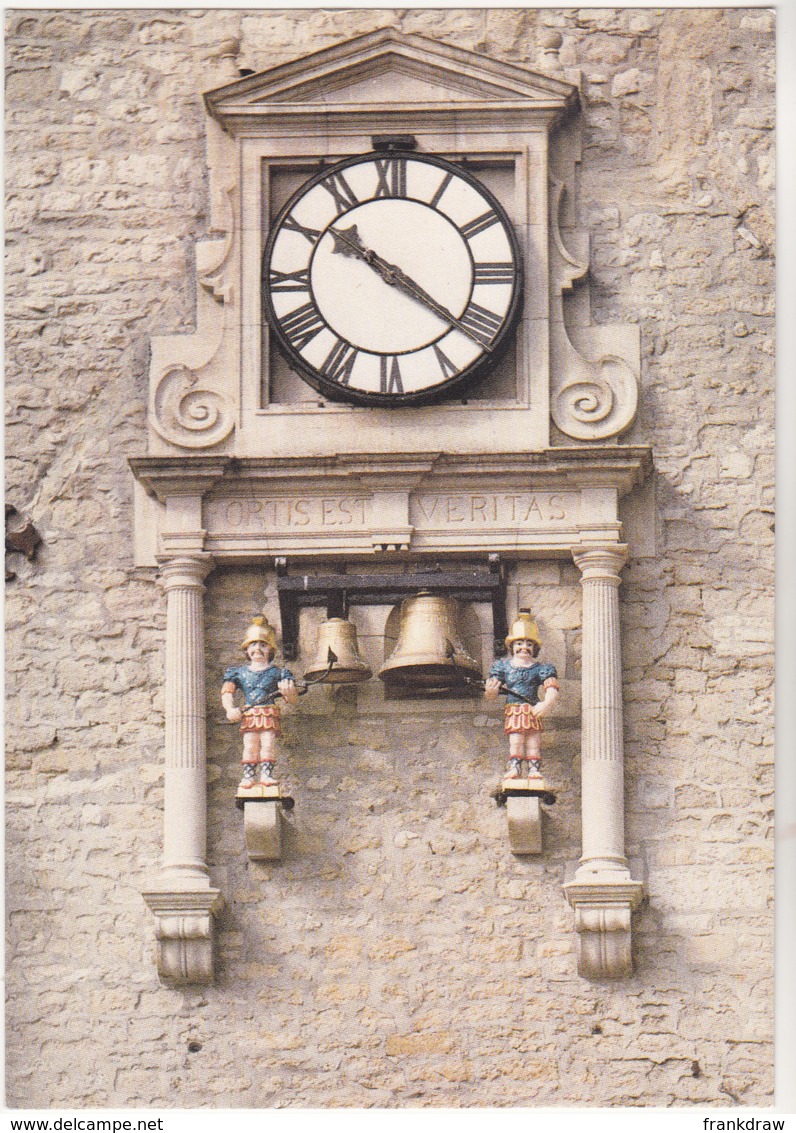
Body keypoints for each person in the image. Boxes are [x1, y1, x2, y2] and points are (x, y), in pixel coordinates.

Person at [222, 616, 298, 789]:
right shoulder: (239, 673)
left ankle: (266, 775)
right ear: (247, 648)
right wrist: (229, 708)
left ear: (270, 649)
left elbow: (292, 699)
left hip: (268, 712)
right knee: (250, 745)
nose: (257, 649)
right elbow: (227, 691)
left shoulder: (278, 673)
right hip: (250, 713)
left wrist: (289, 691)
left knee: (268, 744)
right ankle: (248, 776)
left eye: (263, 645)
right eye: (253, 644)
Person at [484, 610, 559, 782]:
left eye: (529, 644)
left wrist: (547, 704)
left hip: (532, 709)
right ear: (512, 646)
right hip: (514, 710)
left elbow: (552, 689)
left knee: (533, 743)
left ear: (535, 648)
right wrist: (491, 690)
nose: (523, 647)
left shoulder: (542, 668)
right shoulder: (503, 666)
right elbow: (491, 693)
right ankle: (515, 768)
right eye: (519, 643)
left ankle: (533, 770)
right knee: (516, 741)